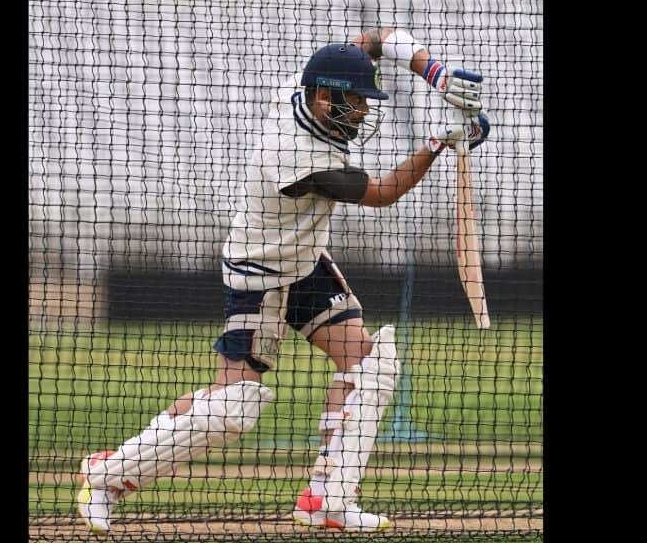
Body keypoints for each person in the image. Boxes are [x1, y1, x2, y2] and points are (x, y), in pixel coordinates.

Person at [77, 26, 490, 533]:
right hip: (259, 276)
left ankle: (327, 500)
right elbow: (383, 192)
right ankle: (107, 476)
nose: (362, 112)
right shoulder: (296, 155)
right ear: (323, 98)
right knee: (233, 407)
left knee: (372, 368)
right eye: (355, 103)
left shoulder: (310, 84)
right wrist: (437, 143)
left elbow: (376, 39)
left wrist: (436, 73)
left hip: (306, 264)